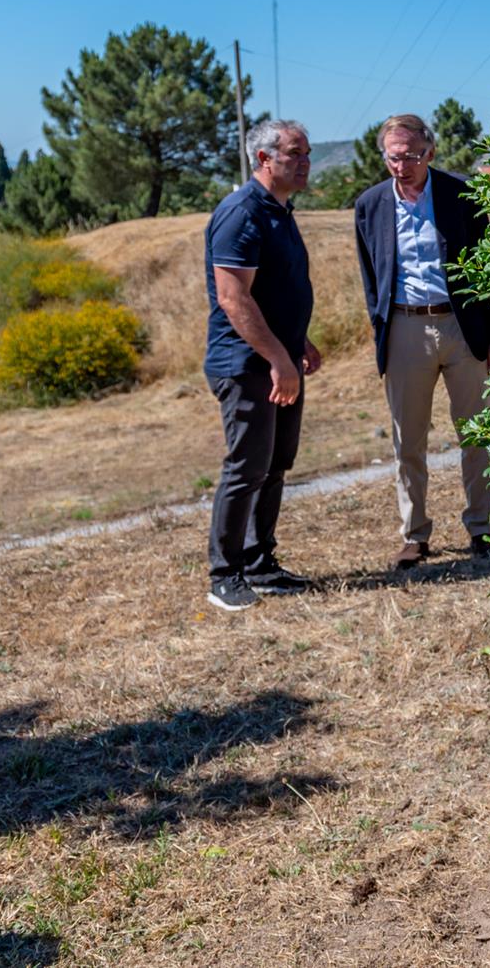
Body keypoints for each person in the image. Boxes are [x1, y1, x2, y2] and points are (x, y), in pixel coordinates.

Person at [352, 113, 490, 567]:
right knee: (409, 440)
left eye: (411, 156)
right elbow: (371, 277)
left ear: (430, 152)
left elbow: (488, 267)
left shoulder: (461, 194)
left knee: (478, 433)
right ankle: (414, 533)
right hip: (404, 328)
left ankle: (481, 529)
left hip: (462, 328)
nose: (402, 165)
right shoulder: (370, 204)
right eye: (393, 157)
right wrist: (381, 332)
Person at [202, 119, 320, 612]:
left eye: (308, 152)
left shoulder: (279, 210)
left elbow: (274, 291)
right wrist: (278, 358)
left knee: (274, 464)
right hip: (248, 364)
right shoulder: (242, 213)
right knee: (246, 466)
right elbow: (234, 299)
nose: (305, 161)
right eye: (295, 153)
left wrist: (300, 342)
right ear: (263, 159)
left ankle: (259, 562)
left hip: (279, 359)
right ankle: (224, 574)